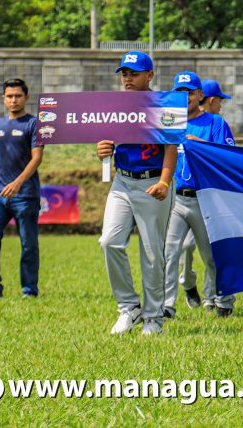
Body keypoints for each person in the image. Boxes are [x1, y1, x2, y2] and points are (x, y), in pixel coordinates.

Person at [97, 51, 176, 335]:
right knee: (109, 241)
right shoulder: (114, 106)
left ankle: (154, 317)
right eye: (125, 74)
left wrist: (165, 182)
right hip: (122, 181)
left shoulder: (164, 104)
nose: (128, 79)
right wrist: (102, 150)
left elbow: (171, 148)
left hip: (152, 182)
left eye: (134, 74)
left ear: (150, 75)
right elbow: (107, 143)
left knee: (152, 253)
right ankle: (129, 308)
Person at [164, 70, 238, 318]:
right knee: (169, 253)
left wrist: (198, 144)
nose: (185, 97)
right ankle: (166, 306)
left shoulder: (215, 123)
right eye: (180, 92)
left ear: (199, 95)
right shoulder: (168, 122)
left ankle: (222, 301)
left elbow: (228, 158)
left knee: (212, 255)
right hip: (176, 197)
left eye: (190, 93)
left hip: (205, 199)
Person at [0, 78, 44, 300]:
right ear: (3, 99)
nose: (14, 100)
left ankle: (29, 290)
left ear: (26, 97)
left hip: (25, 195)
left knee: (28, 243)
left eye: (18, 96)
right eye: (9, 96)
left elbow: (36, 158)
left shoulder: (34, 124)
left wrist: (18, 183)